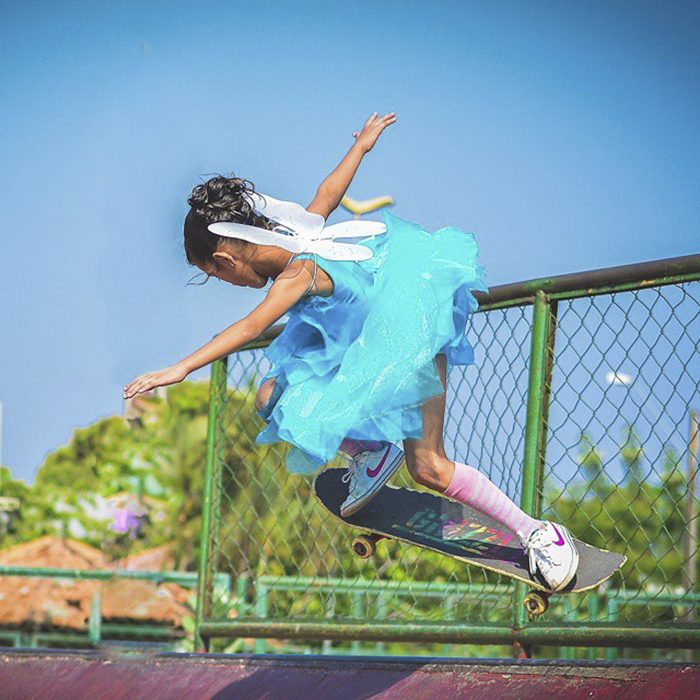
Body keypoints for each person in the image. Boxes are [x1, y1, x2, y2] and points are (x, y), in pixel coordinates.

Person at [123, 112, 580, 591]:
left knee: (429, 466)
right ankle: (371, 452)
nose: (228, 283)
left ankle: (538, 534)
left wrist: (179, 368)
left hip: (412, 330)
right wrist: (360, 147)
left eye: (218, 275)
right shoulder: (301, 231)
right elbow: (328, 192)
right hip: (374, 335)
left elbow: (250, 327)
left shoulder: (297, 273)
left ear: (225, 257)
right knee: (270, 397)